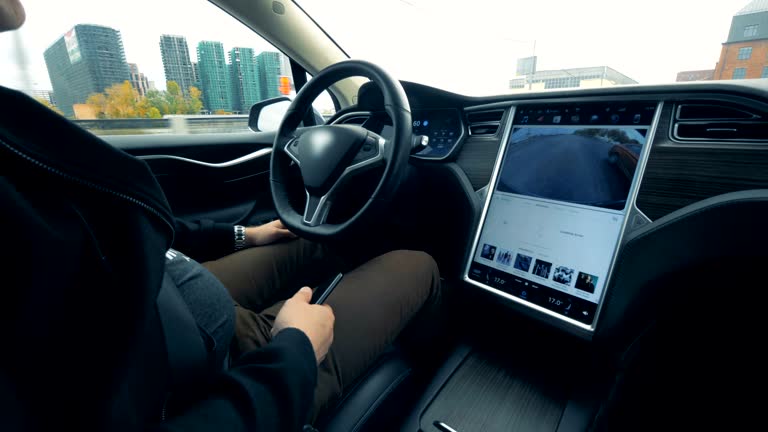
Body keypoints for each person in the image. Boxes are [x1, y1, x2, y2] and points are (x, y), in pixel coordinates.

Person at [0, 1, 441, 430]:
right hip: (206, 376)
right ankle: (437, 369)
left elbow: (122, 230)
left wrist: (243, 235)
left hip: (153, 298)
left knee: (307, 236)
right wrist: (296, 350)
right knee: (418, 264)